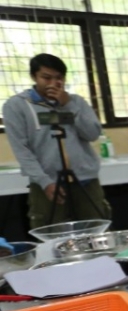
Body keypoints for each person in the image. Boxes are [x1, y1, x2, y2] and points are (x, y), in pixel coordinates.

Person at [1, 53, 111, 230]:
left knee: (96, 232)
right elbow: (22, 150)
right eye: (46, 77)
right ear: (34, 77)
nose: (53, 83)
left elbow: (92, 134)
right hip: (47, 184)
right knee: (52, 236)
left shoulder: (76, 102)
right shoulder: (16, 106)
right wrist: (44, 182)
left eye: (59, 78)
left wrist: (68, 105)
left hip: (85, 181)